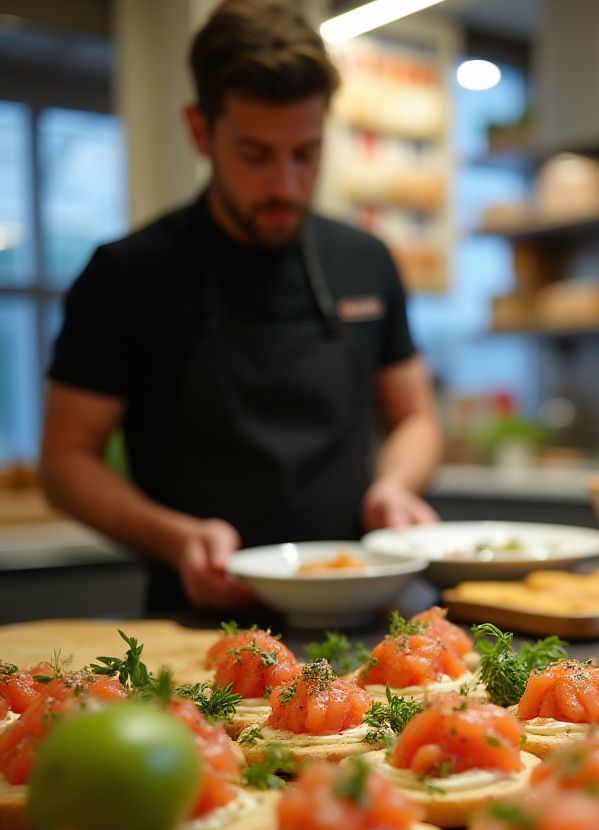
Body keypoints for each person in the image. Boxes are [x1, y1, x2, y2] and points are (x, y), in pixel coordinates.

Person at [39, 0, 442, 613]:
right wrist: (175, 539)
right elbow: (66, 463)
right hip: (197, 623)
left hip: (359, 613)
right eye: (255, 155)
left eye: (305, 154)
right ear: (200, 131)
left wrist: (393, 486)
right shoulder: (125, 274)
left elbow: (414, 416)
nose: (285, 185)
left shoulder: (366, 262)